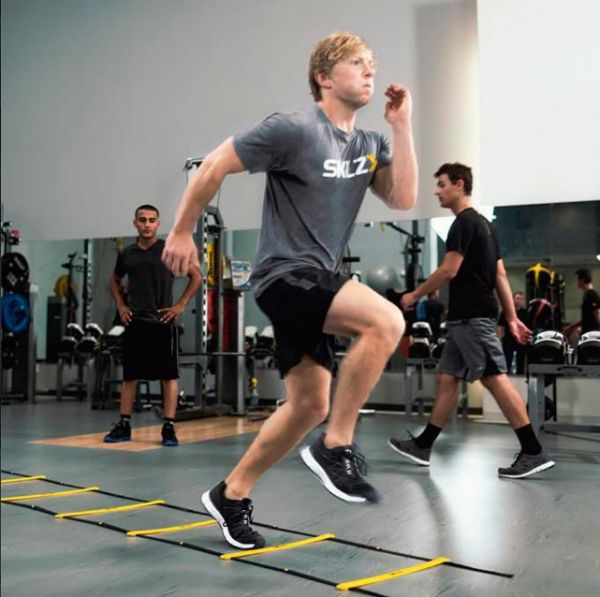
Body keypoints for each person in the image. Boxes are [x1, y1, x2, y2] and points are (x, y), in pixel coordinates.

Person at [162, 31, 418, 549]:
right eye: (356, 62)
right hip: (284, 274)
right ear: (324, 76)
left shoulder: (370, 145)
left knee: (308, 404)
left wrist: (401, 124)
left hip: (314, 281)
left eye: (372, 62)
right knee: (387, 321)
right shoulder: (294, 129)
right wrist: (183, 229)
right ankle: (336, 446)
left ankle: (230, 494)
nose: (370, 70)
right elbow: (214, 165)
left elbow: (403, 199)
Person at [388, 163, 555, 479]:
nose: (437, 191)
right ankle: (423, 445)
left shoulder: (463, 223)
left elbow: (448, 270)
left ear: (459, 184)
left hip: (472, 317)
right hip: (464, 319)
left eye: (442, 184)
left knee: (494, 378)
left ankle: (533, 450)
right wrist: (511, 317)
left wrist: (415, 295)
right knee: (448, 378)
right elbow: (500, 274)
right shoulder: (486, 225)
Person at [104, 205, 201, 446]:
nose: (147, 224)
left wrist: (180, 305)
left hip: (163, 322)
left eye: (151, 220)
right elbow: (114, 281)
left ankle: (168, 427)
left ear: (158, 224)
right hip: (136, 321)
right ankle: (124, 425)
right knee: (130, 376)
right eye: (142, 220)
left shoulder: (169, 251)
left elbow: (197, 276)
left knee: (168, 377)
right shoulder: (127, 254)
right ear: (135, 223)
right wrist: (121, 306)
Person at [563, 268, 600, 337]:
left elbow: (598, 316)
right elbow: (586, 318)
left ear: (582, 280)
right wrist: (572, 327)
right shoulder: (587, 295)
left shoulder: (593, 296)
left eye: (578, 280)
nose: (577, 282)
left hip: (592, 336)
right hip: (586, 334)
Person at [497, 291, 527, 374]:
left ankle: (520, 374)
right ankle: (506, 374)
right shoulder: (506, 312)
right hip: (508, 338)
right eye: (517, 298)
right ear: (513, 299)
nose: (519, 301)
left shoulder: (525, 312)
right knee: (507, 358)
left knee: (521, 358)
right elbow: (500, 326)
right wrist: (499, 338)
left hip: (521, 339)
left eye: (521, 299)